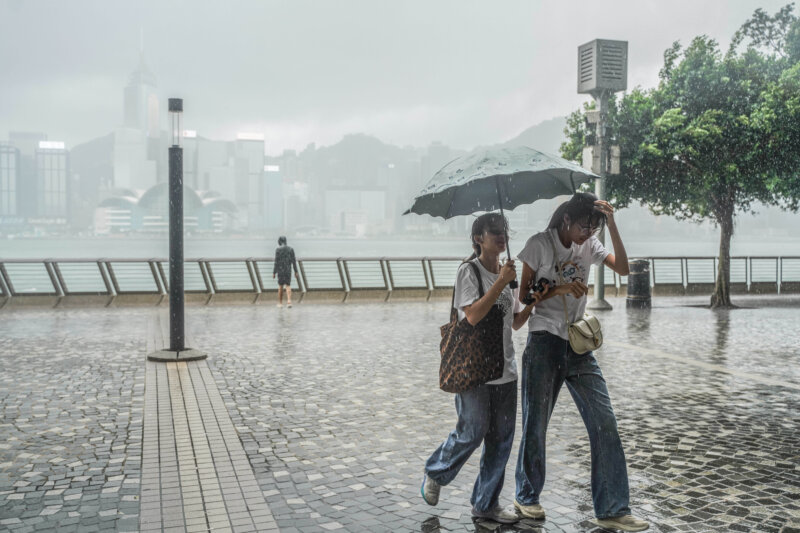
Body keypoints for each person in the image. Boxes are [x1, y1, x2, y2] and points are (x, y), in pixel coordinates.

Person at [512, 192, 649, 531]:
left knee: (604, 421)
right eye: (585, 226)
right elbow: (523, 298)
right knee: (535, 424)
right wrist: (559, 290)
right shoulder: (539, 245)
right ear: (566, 220)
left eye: (594, 227)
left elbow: (624, 268)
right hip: (544, 341)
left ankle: (613, 508)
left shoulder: (590, 243)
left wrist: (612, 223)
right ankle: (526, 496)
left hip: (578, 344)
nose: (589, 232)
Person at [421, 213, 549, 525]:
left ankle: (486, 503)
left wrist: (534, 299)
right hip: (474, 371)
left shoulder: (506, 273)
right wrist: (502, 282)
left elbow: (516, 323)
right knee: (472, 431)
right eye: (494, 232)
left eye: (503, 231)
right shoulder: (469, 270)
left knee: (501, 440)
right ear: (479, 237)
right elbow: (472, 316)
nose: (501, 237)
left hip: (505, 370)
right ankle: (436, 471)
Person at [273, 236, 299, 308]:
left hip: (280, 270)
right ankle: (289, 301)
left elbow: (276, 262)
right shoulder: (291, 249)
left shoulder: (278, 250)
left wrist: (274, 272)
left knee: (280, 286)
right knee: (288, 285)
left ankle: (280, 303)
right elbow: (293, 261)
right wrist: (296, 271)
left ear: (279, 241)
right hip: (288, 270)